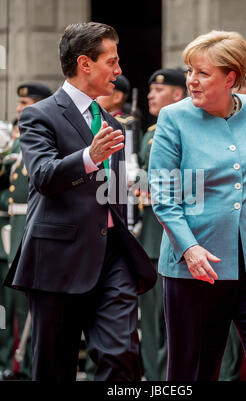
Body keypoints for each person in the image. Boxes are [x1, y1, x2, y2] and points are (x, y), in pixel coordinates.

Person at [4, 21, 156, 382]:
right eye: (112, 62)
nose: (119, 72)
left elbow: (114, 195)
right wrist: (88, 156)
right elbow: (42, 177)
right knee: (54, 365)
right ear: (85, 64)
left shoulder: (113, 125)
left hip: (112, 257)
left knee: (120, 356)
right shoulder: (38, 115)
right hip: (59, 256)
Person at [149, 30, 246, 381]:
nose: (192, 81)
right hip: (197, 269)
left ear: (231, 77)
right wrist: (189, 248)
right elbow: (164, 196)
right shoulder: (173, 118)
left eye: (202, 73)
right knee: (193, 371)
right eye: (189, 71)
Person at [0, 84, 52, 380]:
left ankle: (28, 367)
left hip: (31, 225)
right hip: (15, 226)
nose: (19, 109)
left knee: (29, 309)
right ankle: (16, 364)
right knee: (13, 307)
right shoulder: (18, 142)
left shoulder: (38, 138)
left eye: (24, 102)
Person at [138, 68, 186, 381]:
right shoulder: (149, 132)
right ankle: (154, 378)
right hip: (149, 236)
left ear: (177, 95)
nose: (150, 95)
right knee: (151, 322)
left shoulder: (184, 126)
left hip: (172, 235)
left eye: (159, 90)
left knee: (173, 320)